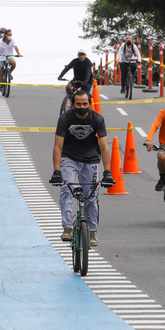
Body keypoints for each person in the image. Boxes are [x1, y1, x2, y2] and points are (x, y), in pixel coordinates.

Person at [49, 90, 114, 247]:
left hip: (90, 159)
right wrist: (57, 171)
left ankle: (92, 231)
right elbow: (58, 147)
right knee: (66, 189)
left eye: (85, 103)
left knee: (91, 196)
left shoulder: (97, 119)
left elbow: (104, 147)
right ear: (72, 105)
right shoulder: (65, 118)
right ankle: (67, 227)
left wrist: (107, 172)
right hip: (69, 157)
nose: (82, 107)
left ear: (90, 103)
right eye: (78, 104)